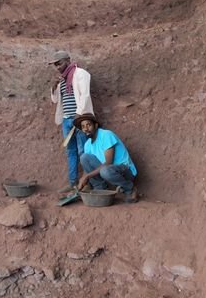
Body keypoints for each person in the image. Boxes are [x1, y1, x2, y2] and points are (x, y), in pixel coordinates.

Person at [49, 50, 94, 193]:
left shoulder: (80, 74)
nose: (57, 67)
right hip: (66, 120)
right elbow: (55, 100)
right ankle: (73, 182)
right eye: (55, 65)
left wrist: (78, 115)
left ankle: (88, 183)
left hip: (79, 119)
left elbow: (85, 95)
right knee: (71, 151)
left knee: (83, 150)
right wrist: (53, 86)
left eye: (59, 63)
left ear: (67, 60)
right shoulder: (62, 79)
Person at [73, 113, 139, 203]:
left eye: (88, 125)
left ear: (95, 125)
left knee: (105, 170)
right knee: (84, 158)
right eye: (83, 126)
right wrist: (83, 181)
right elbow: (87, 169)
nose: (85, 129)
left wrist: (87, 176)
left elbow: (108, 162)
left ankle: (130, 189)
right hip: (108, 172)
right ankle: (100, 189)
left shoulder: (106, 135)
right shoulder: (87, 144)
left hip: (125, 171)